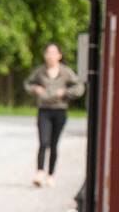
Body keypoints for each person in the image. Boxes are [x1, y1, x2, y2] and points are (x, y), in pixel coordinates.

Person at [23, 43, 84, 187]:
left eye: (53, 53)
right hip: (44, 109)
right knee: (44, 142)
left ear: (59, 56)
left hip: (59, 110)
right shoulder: (40, 72)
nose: (50, 56)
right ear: (45, 56)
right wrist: (35, 89)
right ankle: (39, 172)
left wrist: (65, 93)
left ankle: (50, 174)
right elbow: (27, 84)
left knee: (54, 144)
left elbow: (79, 87)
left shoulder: (65, 72)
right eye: (48, 53)